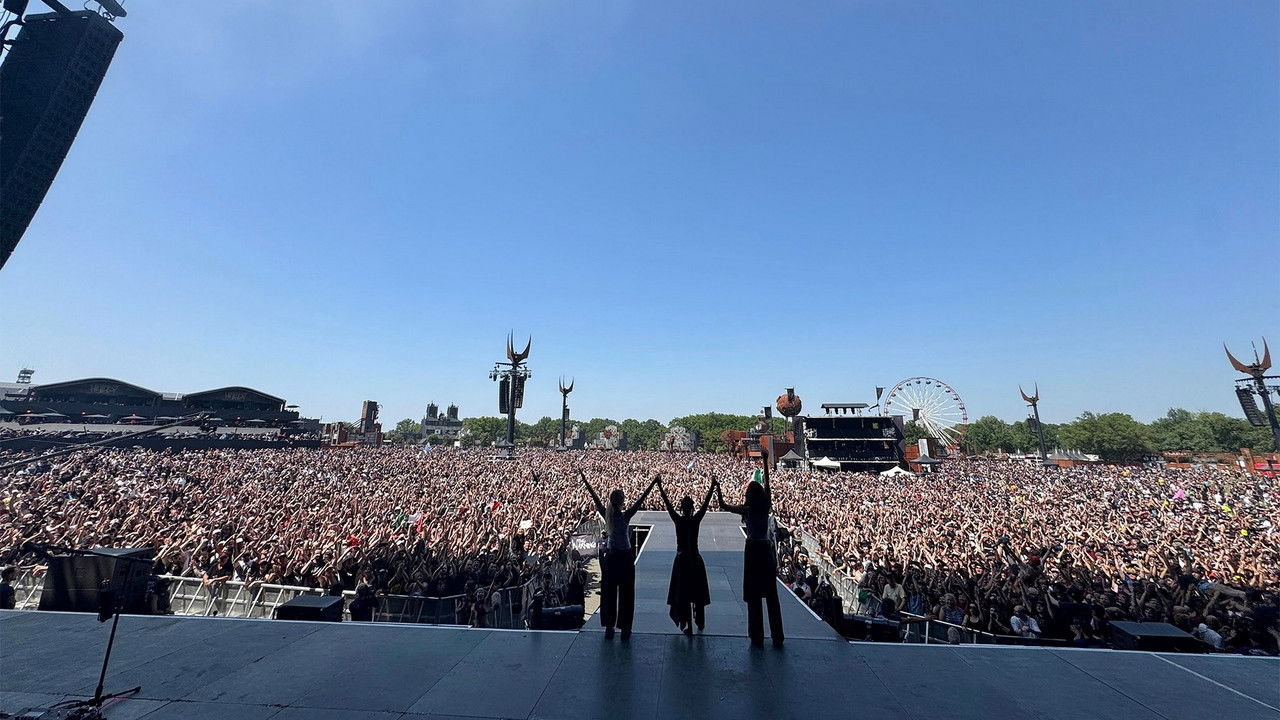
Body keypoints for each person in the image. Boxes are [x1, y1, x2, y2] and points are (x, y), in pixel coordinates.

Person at [579, 469, 658, 639]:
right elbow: (641, 499)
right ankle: (625, 628)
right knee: (626, 593)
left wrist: (585, 480)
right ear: (622, 501)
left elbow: (595, 497)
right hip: (625, 557)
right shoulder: (625, 516)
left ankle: (609, 626)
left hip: (611, 557)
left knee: (609, 592)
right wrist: (654, 482)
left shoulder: (607, 515)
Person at [717, 451, 784, 647]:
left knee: (754, 594)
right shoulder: (765, 505)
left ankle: (756, 635)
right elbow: (768, 485)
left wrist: (717, 488)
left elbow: (723, 505)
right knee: (771, 594)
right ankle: (778, 635)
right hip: (766, 548)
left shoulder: (747, 509)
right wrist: (765, 461)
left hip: (753, 549)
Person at [657, 474, 714, 635]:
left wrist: (659, 486)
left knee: (684, 594)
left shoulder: (679, 520)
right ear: (692, 508)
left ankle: (688, 625)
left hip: (682, 561)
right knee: (697, 592)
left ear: (681, 508)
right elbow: (705, 504)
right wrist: (712, 487)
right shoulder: (696, 520)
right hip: (695, 559)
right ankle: (700, 622)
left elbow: (668, 504)